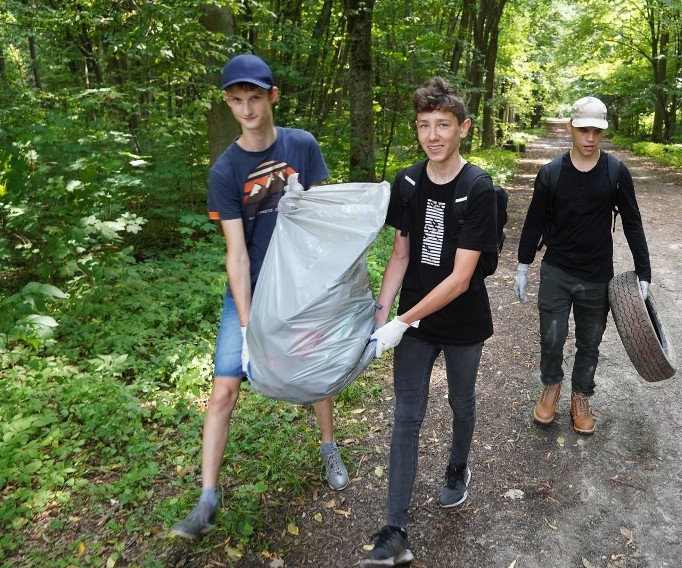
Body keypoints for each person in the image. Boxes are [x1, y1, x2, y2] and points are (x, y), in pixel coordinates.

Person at [170, 54, 349, 539]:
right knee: (224, 386)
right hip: (250, 289)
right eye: (236, 100)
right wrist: (247, 327)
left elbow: (324, 222)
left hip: (302, 287)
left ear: (272, 96)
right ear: (228, 103)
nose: (246, 109)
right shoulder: (226, 170)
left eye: (254, 98)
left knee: (314, 371)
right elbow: (237, 255)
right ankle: (207, 497)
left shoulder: (302, 146)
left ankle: (329, 447)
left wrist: (326, 283)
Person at [360, 77, 497, 567]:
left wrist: (403, 319)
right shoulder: (409, 182)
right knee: (407, 417)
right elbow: (400, 252)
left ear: (463, 128)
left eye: (443, 124)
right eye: (424, 125)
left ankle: (458, 468)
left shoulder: (479, 189)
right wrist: (381, 314)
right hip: (414, 322)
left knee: (461, 401)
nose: (433, 134)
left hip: (461, 321)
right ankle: (394, 530)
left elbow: (461, 278)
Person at [513, 96, 651, 435]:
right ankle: (551, 387)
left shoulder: (616, 172)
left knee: (590, 341)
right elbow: (533, 222)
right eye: (584, 130)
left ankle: (580, 397)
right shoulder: (551, 173)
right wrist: (523, 265)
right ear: (570, 128)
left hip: (596, 275)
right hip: (557, 270)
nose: (590, 138)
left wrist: (644, 272)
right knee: (552, 336)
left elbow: (632, 222)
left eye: (597, 131)